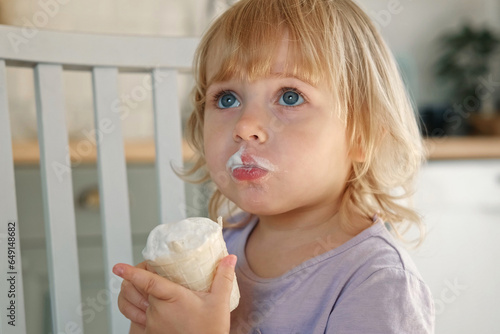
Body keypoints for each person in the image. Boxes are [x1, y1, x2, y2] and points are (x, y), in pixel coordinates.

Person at [112, 0, 435, 333]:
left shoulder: (378, 284)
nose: (245, 124)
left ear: (363, 135)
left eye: (290, 96)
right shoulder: (216, 251)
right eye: (227, 99)